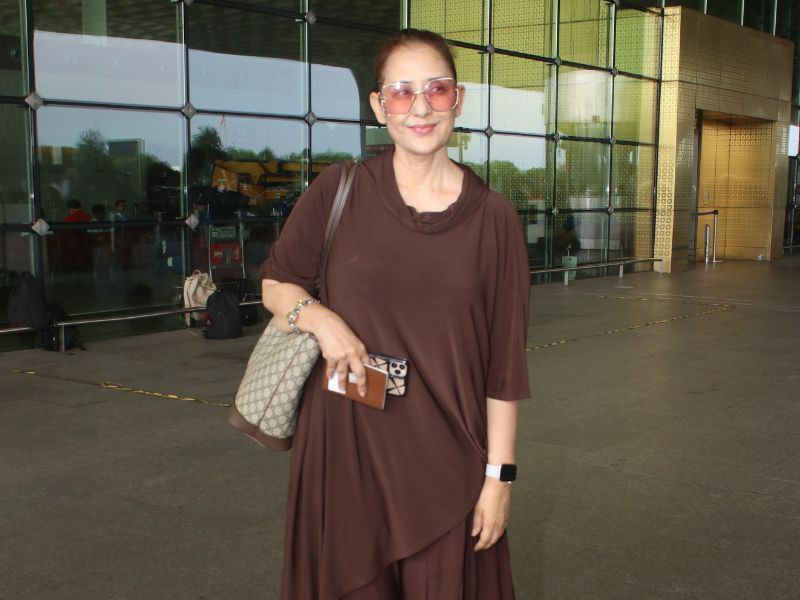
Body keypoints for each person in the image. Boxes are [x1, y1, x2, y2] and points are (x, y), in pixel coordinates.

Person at [259, 28, 530, 599]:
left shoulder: (494, 220)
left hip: (448, 465)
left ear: (458, 99)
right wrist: (323, 320)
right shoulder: (339, 190)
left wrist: (499, 477)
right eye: (402, 93)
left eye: (437, 89)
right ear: (380, 107)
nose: (420, 108)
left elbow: (504, 368)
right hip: (346, 455)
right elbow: (277, 286)